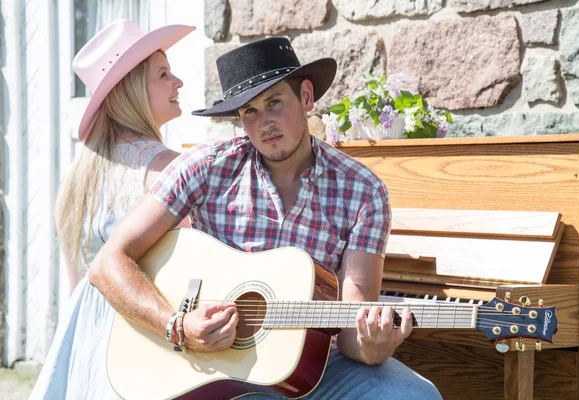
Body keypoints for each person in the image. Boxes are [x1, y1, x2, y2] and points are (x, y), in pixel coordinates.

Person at [90, 37, 442, 399]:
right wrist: (176, 325)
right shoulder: (206, 167)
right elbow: (107, 264)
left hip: (319, 366)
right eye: (250, 112)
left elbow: (354, 327)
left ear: (306, 97)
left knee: (414, 394)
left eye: (274, 102)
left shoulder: (363, 190)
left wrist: (373, 345)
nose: (264, 124)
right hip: (216, 369)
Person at [29, 19, 195, 400]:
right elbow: (194, 273)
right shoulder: (169, 171)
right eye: (163, 74)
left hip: (83, 344)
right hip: (145, 341)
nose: (178, 83)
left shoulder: (75, 182)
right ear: (132, 89)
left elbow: (78, 291)